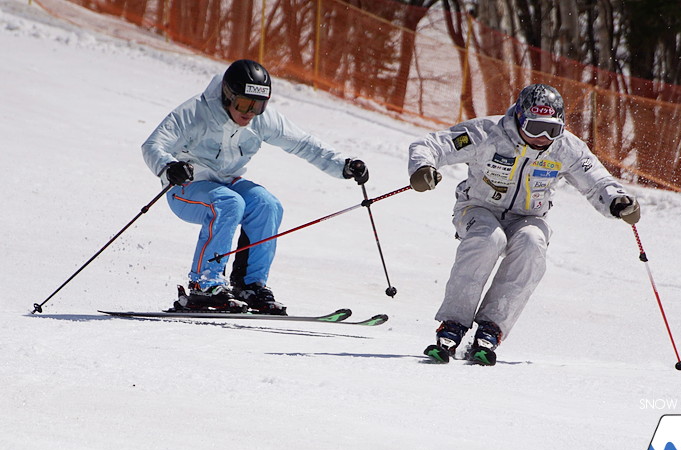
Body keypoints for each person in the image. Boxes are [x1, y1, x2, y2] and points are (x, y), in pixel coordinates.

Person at [409, 83, 640, 365]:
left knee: (533, 244)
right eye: (534, 128)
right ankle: (453, 325)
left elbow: (597, 181)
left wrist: (617, 201)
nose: (542, 137)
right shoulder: (486, 133)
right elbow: (432, 145)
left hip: (529, 217)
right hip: (478, 208)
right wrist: (423, 168)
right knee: (488, 239)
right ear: (519, 118)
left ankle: (491, 328)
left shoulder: (567, 148)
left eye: (551, 130)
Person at [142, 59, 368, 315]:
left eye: (258, 105)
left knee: (266, 204)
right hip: (186, 188)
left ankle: (248, 284)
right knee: (229, 203)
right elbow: (152, 145)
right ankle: (203, 285)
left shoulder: (261, 120)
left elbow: (303, 143)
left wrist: (343, 165)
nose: (249, 112)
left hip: (226, 182)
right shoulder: (196, 112)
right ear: (228, 96)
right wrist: (169, 166)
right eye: (243, 104)